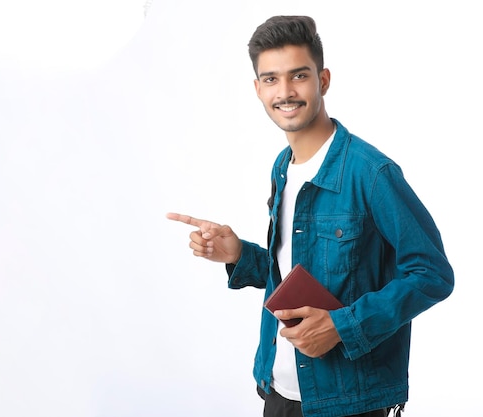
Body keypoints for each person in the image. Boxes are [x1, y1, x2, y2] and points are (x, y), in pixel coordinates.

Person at [166, 15, 454, 417]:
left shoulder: (371, 174)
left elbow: (432, 274)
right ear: (257, 89)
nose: (285, 92)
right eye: (270, 79)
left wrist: (342, 326)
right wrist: (238, 255)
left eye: (298, 75)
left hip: (349, 401)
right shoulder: (283, 167)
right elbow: (296, 271)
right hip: (278, 389)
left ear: (323, 80)